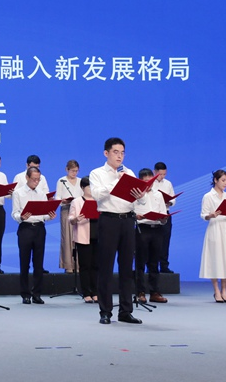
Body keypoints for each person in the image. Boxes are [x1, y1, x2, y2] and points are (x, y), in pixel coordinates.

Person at [89, 137, 146, 325]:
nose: (119, 156)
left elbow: (138, 200)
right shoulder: (97, 173)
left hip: (128, 220)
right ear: (106, 153)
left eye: (122, 153)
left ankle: (125, 311)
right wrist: (116, 182)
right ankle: (105, 311)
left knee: (126, 268)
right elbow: (96, 194)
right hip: (109, 220)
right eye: (115, 152)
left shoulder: (129, 172)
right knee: (106, 267)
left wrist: (141, 196)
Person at [11, 166, 56, 304]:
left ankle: (37, 293)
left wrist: (50, 216)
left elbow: (43, 214)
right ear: (27, 178)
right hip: (25, 228)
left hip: (39, 229)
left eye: (38, 180)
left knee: (38, 262)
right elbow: (14, 213)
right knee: (24, 262)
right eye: (34, 179)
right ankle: (25, 294)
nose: (36, 182)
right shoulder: (18, 193)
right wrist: (21, 217)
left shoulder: (42, 194)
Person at [199, 169, 226, 303]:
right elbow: (203, 215)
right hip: (215, 229)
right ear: (215, 180)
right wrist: (211, 215)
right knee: (215, 259)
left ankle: (224, 290)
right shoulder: (208, 196)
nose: (225, 183)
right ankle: (216, 290)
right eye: (223, 180)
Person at [133, 168, 169, 304]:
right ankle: (140, 292)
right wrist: (137, 216)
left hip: (157, 229)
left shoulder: (158, 195)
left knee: (154, 262)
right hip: (142, 229)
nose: (149, 184)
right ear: (140, 181)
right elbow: (131, 212)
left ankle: (154, 292)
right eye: (146, 181)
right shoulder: (135, 194)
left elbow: (163, 214)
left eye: (151, 181)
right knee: (140, 262)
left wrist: (163, 219)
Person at [68, 176, 98, 303]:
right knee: (85, 266)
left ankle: (95, 292)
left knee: (96, 265)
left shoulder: (99, 200)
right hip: (83, 236)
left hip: (98, 236)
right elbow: (70, 219)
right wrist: (76, 219)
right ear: (82, 187)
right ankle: (86, 293)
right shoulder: (77, 201)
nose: (91, 189)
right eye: (89, 187)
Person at [56, 160, 84, 273]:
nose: (74, 173)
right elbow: (57, 197)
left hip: (79, 211)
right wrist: (62, 201)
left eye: (76, 171)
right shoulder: (62, 181)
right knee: (67, 237)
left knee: (79, 237)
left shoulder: (81, 181)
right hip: (66, 210)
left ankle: (79, 265)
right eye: (72, 171)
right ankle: (68, 265)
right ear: (66, 170)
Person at [153, 162, 176, 273]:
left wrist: (170, 202)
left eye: (164, 174)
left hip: (165, 214)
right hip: (153, 214)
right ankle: (152, 266)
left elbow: (173, 199)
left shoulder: (168, 184)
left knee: (165, 241)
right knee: (153, 241)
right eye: (160, 174)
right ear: (154, 172)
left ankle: (164, 266)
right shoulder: (150, 183)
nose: (162, 177)